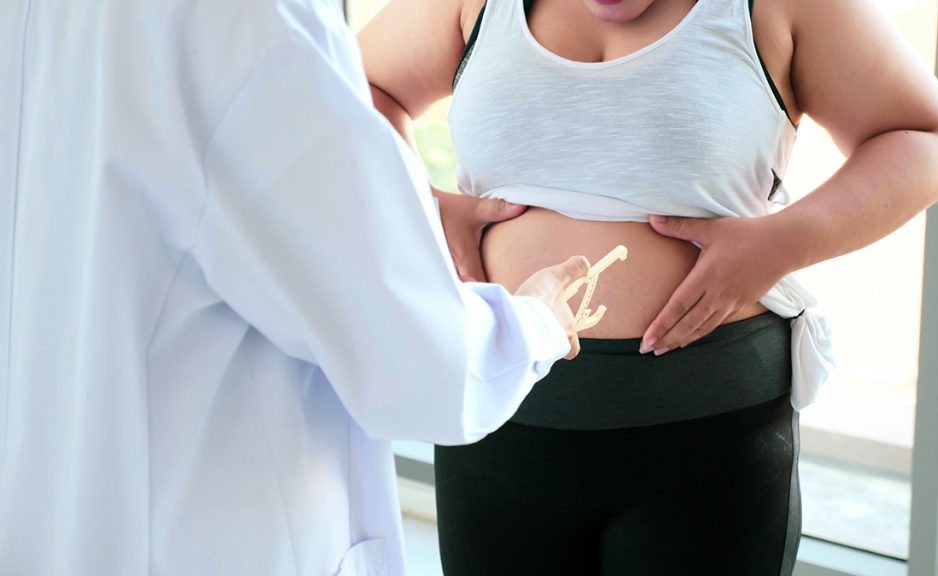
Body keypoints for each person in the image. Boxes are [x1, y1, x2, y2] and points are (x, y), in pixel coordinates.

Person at [358, 0, 938, 572]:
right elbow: (353, 91)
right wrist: (420, 202)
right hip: (495, 417)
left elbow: (924, 138)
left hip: (708, 437)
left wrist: (784, 241)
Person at [0, 1, 595, 574]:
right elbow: (422, 364)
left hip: (55, 506)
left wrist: (403, 203)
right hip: (207, 531)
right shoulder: (248, 22)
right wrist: (534, 321)